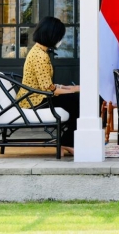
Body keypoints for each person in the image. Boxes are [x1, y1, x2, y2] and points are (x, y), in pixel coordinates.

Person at [17, 16, 80, 156]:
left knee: (75, 100)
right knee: (79, 103)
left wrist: (70, 88)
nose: (60, 40)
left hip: (37, 96)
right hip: (35, 100)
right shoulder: (40, 55)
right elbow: (48, 89)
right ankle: (67, 143)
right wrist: (73, 90)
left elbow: (47, 85)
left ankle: (67, 142)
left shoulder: (38, 51)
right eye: (60, 36)